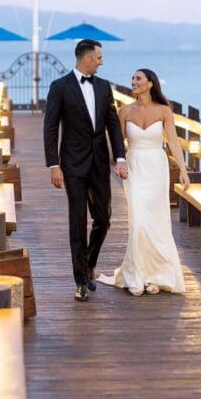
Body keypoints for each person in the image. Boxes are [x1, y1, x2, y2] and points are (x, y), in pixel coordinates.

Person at [43, 39, 128, 303]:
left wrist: (120, 157)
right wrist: (53, 164)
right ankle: (80, 281)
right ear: (86, 58)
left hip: (100, 162)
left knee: (104, 218)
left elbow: (113, 124)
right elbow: (51, 128)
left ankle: (89, 262)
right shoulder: (60, 87)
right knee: (77, 222)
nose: (102, 62)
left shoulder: (104, 87)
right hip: (72, 164)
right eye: (99, 57)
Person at [97, 69, 189, 296]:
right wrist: (116, 163)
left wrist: (184, 170)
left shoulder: (164, 110)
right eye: (133, 79)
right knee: (138, 220)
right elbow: (118, 142)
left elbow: (174, 143)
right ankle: (135, 275)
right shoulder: (125, 110)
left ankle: (157, 275)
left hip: (157, 168)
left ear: (150, 83)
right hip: (135, 166)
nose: (133, 82)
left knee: (157, 221)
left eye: (138, 79)